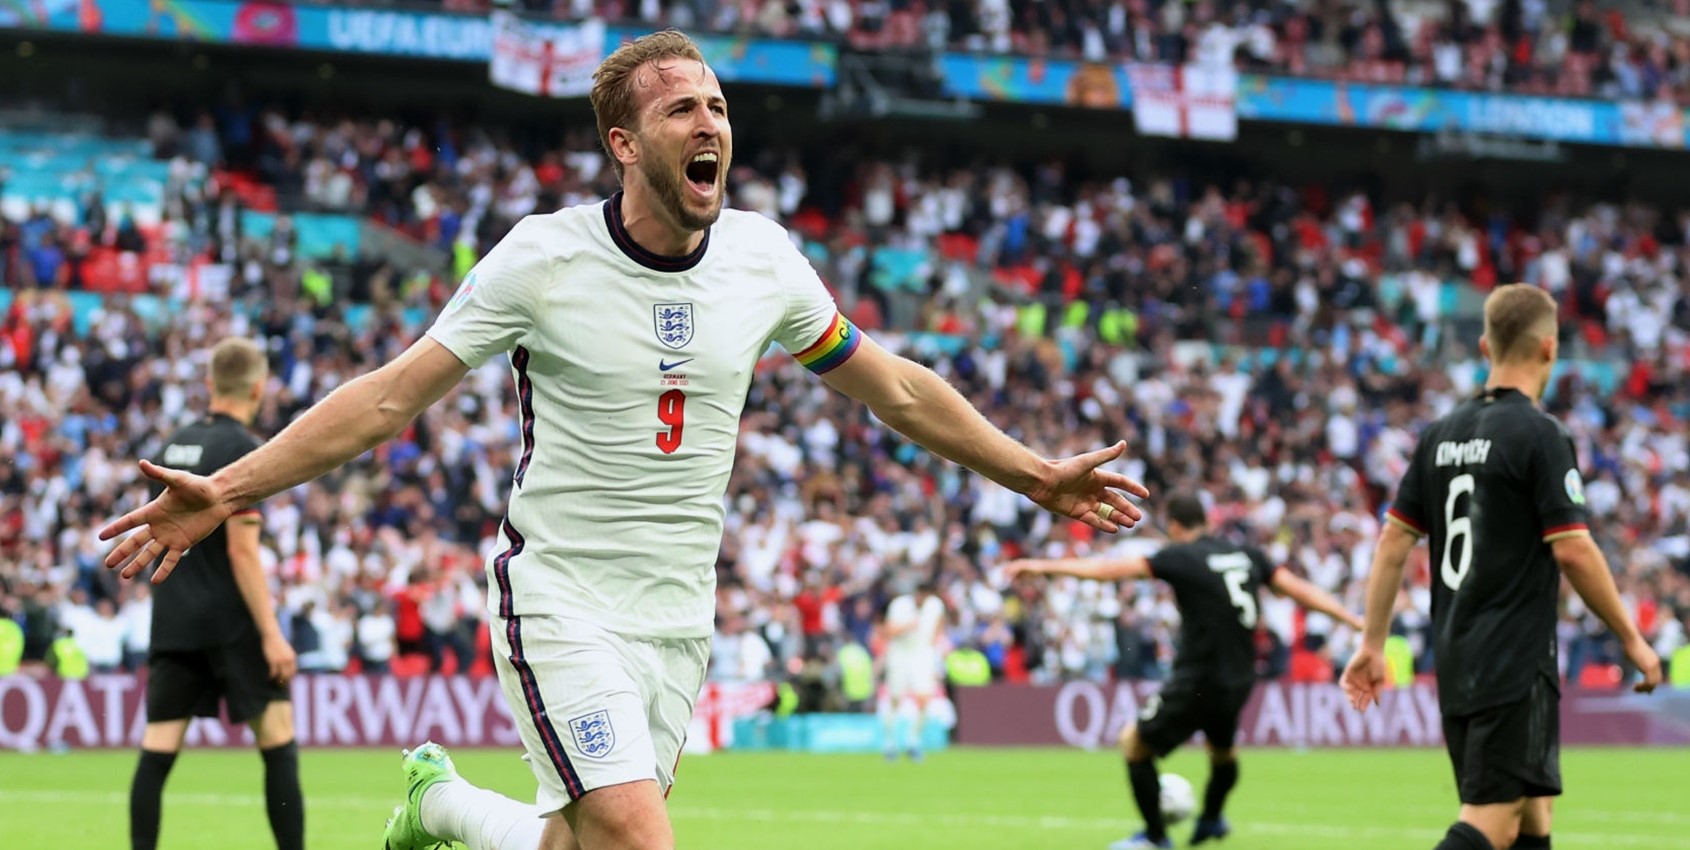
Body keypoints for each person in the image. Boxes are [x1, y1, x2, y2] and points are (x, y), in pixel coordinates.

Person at [99, 29, 1148, 850]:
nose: (710, 122)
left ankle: (442, 806)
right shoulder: (541, 260)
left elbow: (899, 391)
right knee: (640, 835)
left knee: (580, 840)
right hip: (560, 598)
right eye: (682, 107)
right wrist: (226, 487)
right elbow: (387, 399)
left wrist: (1031, 473)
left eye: (718, 105)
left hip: (677, 615)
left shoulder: (765, 261)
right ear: (625, 144)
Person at [1341, 284, 1663, 850]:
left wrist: (1372, 643)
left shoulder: (1439, 436)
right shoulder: (1541, 434)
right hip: (1513, 660)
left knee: (1532, 816)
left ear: (1486, 346)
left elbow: (1393, 541)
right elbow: (1573, 548)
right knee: (1492, 820)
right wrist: (1632, 637)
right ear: (1549, 348)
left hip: (1458, 656)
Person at [1004, 493, 1362, 850]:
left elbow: (1109, 571)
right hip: (1240, 678)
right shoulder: (1247, 555)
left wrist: (1043, 567)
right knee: (1223, 752)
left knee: (1134, 744)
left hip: (1199, 678)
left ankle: (1156, 837)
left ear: (1174, 525)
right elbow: (1298, 590)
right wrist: (1352, 619)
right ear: (1205, 520)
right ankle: (1211, 818)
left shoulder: (1181, 557)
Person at [127, 337, 302, 850]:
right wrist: (272, 635)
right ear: (259, 388)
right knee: (278, 742)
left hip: (174, 618)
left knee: (157, 751)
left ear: (209, 383)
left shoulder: (170, 448)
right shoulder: (244, 450)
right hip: (232, 621)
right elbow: (242, 553)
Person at [878, 581, 946, 762]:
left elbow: (938, 627)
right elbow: (888, 630)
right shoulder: (900, 605)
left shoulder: (935, 605)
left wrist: (936, 651)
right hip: (900, 653)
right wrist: (908, 625)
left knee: (924, 698)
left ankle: (913, 741)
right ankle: (890, 742)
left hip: (922, 654)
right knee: (895, 698)